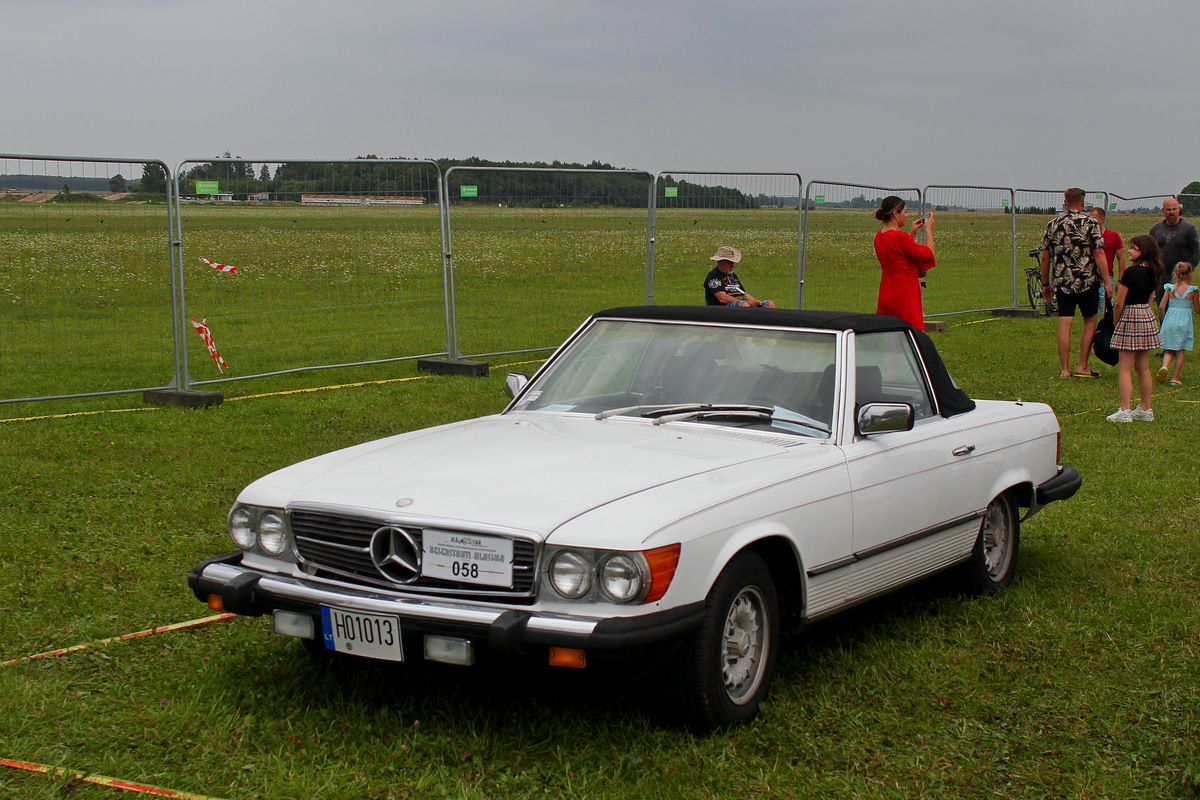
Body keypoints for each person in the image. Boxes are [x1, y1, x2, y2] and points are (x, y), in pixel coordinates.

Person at [1040, 188, 1112, 378]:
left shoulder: (1053, 224)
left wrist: (1046, 283)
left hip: (1063, 281)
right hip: (1088, 280)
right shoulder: (1091, 223)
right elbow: (1098, 253)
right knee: (1090, 321)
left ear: (1065, 201)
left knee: (1065, 323)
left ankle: (1065, 369)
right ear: (1082, 203)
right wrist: (1107, 281)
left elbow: (1046, 256)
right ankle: (1082, 366)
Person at [1107, 235, 1164, 422]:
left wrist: (1116, 322)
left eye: (1134, 248)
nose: (1129, 250)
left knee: (1125, 367)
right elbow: (1151, 297)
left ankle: (1125, 410)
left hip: (1130, 316)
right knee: (1144, 367)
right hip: (1146, 315)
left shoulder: (1130, 273)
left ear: (1143, 251)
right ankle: (1146, 409)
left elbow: (1119, 303)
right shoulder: (1155, 271)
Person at [873, 196, 935, 330]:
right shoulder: (899, 237)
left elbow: (901, 254)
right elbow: (928, 256)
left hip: (887, 292)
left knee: (890, 334)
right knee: (911, 335)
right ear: (896, 214)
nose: (907, 216)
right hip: (904, 295)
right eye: (905, 212)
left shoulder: (879, 236)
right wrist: (929, 230)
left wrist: (912, 234)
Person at [1149, 198, 1200, 307]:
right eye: (1168, 209)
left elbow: (1196, 252)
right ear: (1163, 210)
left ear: (1179, 210)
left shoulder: (1189, 229)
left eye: (1174, 209)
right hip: (1161, 276)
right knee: (1162, 307)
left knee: (1178, 309)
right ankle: (1164, 325)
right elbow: (1151, 253)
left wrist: (1187, 270)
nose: (1171, 212)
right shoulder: (1155, 230)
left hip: (1181, 277)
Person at [1157, 261, 1200, 386]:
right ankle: (1175, 378)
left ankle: (1164, 366)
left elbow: (1161, 306)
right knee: (1180, 351)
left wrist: (1164, 319)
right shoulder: (1193, 290)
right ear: (1190, 274)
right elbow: (1197, 309)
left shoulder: (1170, 288)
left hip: (1170, 319)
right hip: (1184, 322)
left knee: (1170, 348)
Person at [703, 245, 776, 308]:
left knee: (770, 304)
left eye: (733, 262)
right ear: (720, 262)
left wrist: (754, 301)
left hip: (742, 303)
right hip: (722, 308)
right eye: (729, 263)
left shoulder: (732, 275)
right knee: (744, 305)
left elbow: (743, 293)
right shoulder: (713, 276)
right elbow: (722, 298)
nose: (733, 265)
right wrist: (745, 302)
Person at [1088, 206, 1124, 307]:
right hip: (1089, 277)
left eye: (1093, 219)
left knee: (1106, 305)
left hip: (1106, 277)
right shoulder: (1086, 236)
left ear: (1102, 219)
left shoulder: (1113, 236)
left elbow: (1121, 258)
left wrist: (1120, 280)